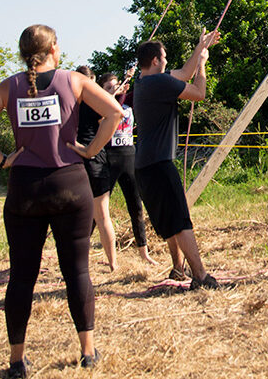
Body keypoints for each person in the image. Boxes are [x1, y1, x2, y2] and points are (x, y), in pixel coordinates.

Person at [0, 25, 123, 377]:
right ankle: (88, 352)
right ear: (54, 50)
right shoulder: (73, 81)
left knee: (21, 277)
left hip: (25, 188)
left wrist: (1, 159)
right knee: (77, 271)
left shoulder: (9, 86)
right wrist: (91, 150)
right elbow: (115, 113)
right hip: (70, 185)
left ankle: (17, 361)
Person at [133, 29, 220, 286]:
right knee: (181, 220)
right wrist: (203, 64)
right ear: (156, 61)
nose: (167, 61)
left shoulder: (144, 81)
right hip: (159, 164)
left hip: (146, 166)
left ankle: (178, 269)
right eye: (165, 57)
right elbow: (197, 91)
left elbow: (182, 73)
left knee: (172, 221)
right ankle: (201, 276)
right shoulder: (159, 83)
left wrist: (199, 46)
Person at [98, 71, 156, 265]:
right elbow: (113, 103)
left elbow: (140, 90)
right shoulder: (101, 106)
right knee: (98, 209)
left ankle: (144, 253)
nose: (114, 89)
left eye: (116, 85)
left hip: (129, 157)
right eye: (109, 87)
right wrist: (123, 84)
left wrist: (137, 76)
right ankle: (84, 253)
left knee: (136, 207)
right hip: (109, 159)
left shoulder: (128, 102)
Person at [75, 66, 118, 272]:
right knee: (102, 217)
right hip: (95, 159)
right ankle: (113, 264)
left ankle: (76, 264)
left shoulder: (69, 102)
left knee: (75, 217)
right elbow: (111, 120)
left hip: (73, 160)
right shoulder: (95, 102)